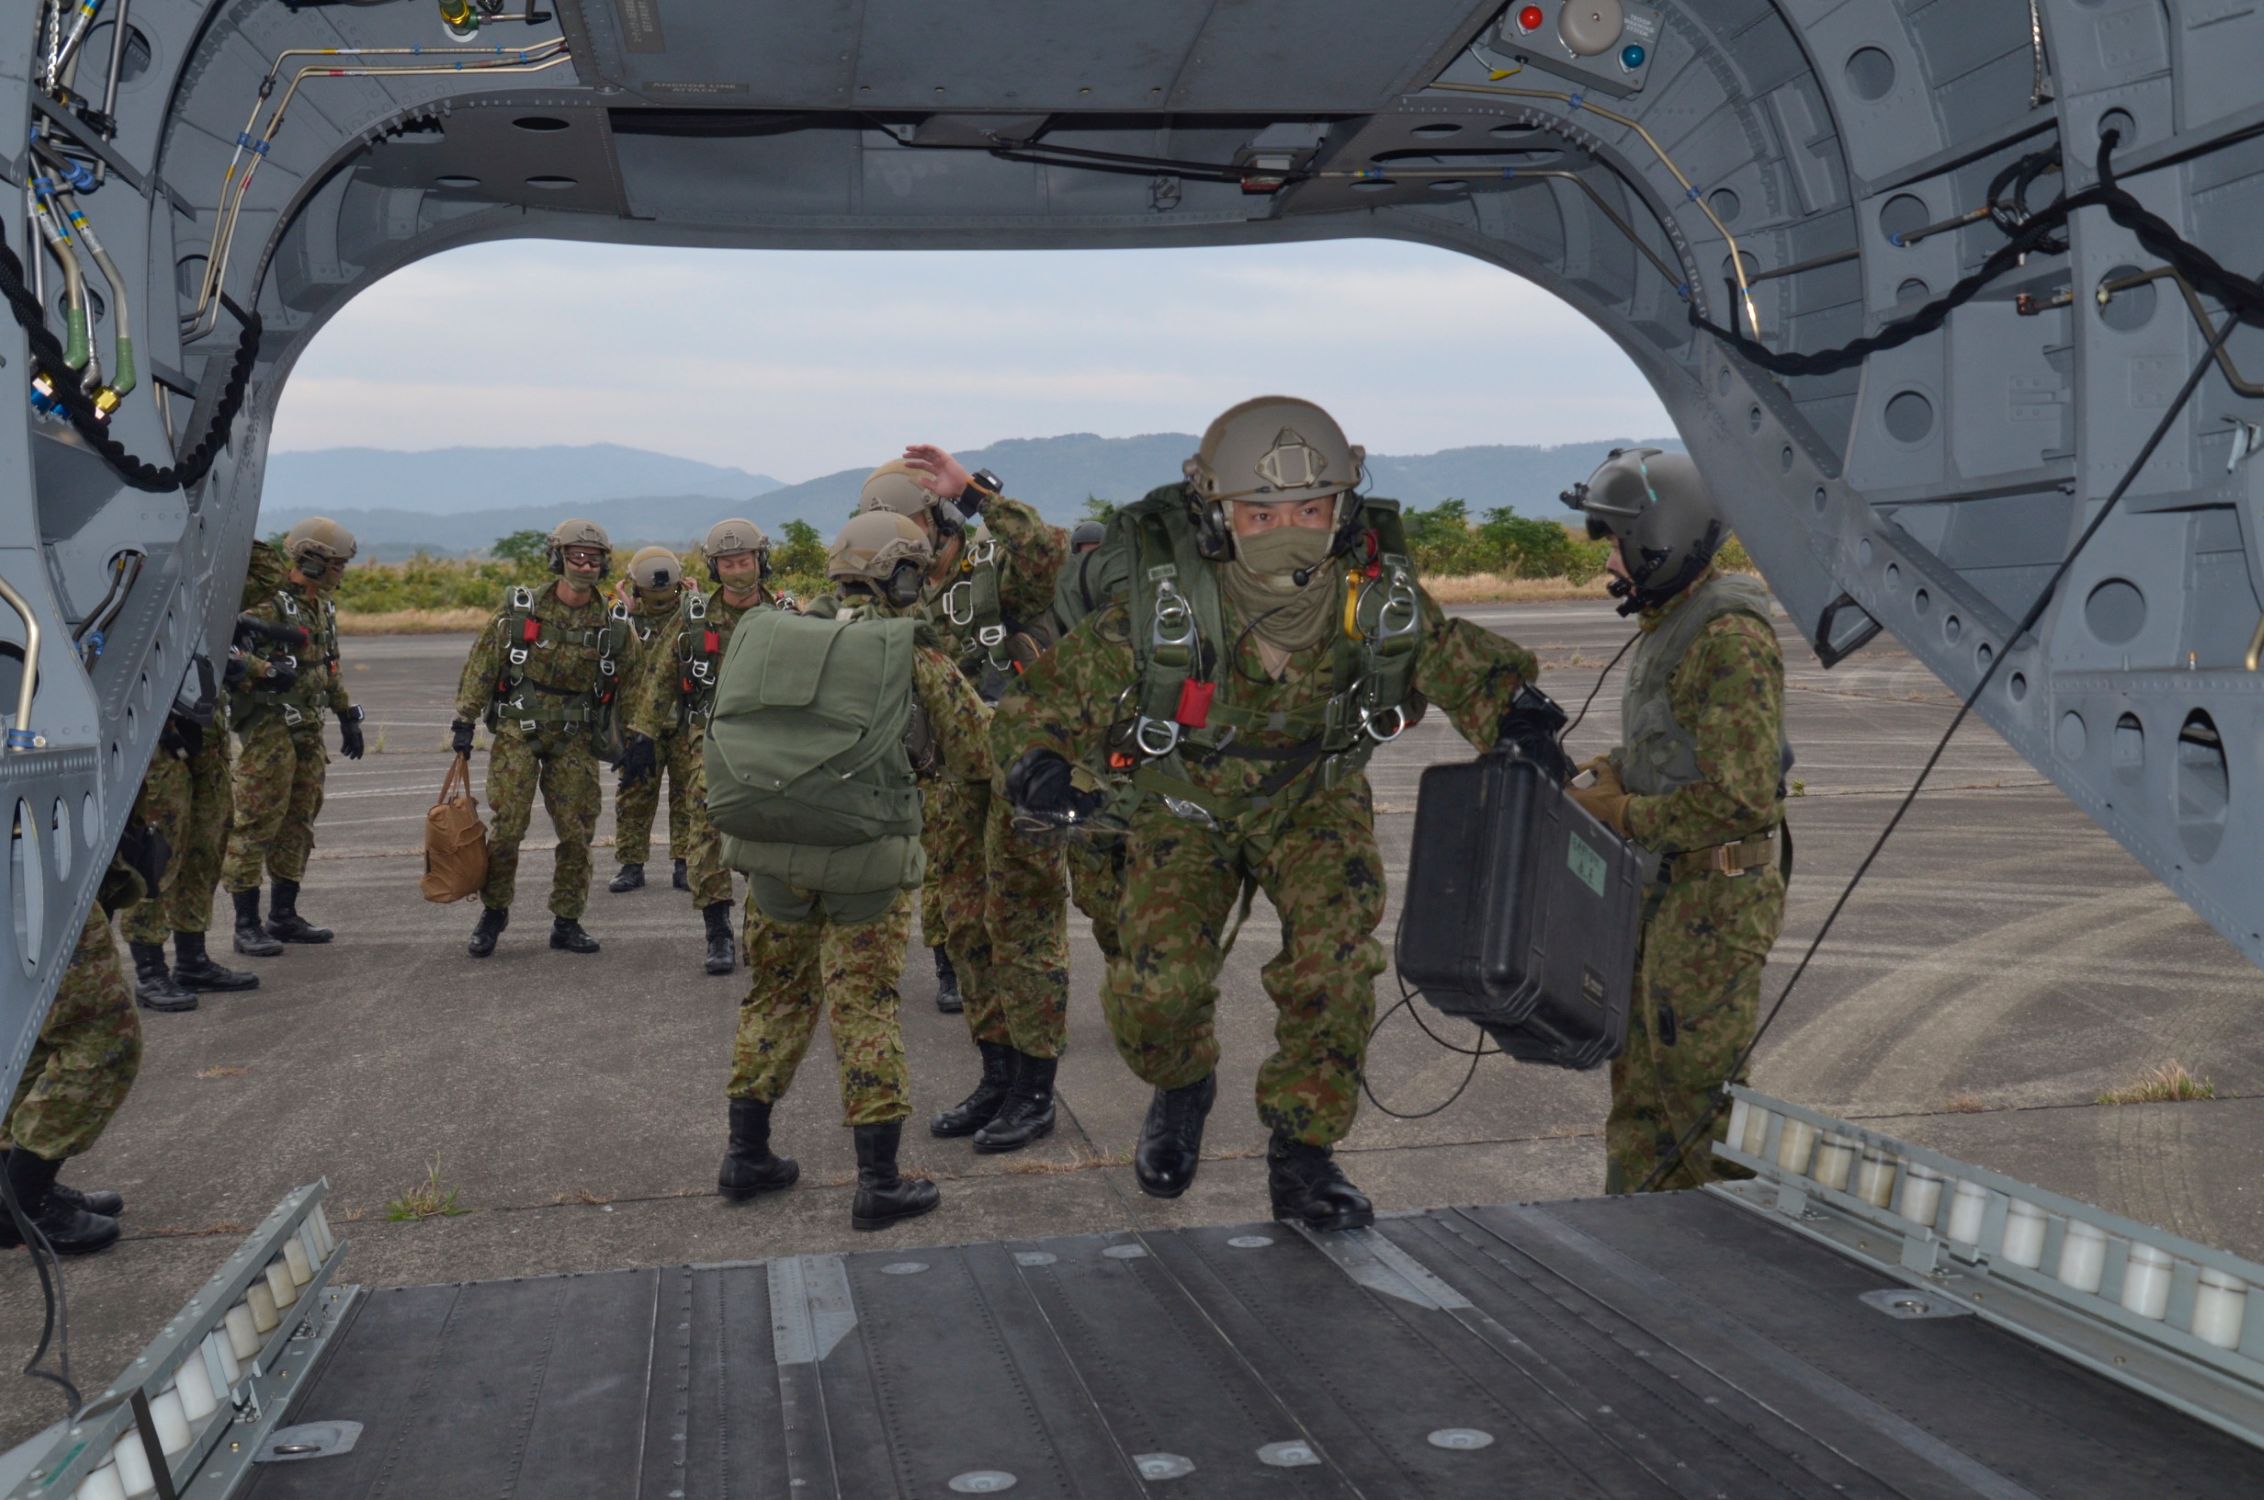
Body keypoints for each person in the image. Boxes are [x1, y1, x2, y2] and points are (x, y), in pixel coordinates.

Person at [995, 396, 1541, 1231]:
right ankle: (1183, 1085)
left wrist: (1522, 720)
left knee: (1333, 970)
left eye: (1310, 509)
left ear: (1341, 509)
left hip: (1313, 798)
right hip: (1186, 801)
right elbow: (1036, 707)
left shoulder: (1373, 594)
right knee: (1153, 994)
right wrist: (1035, 765)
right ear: (1217, 517)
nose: (1288, 529)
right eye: (1260, 513)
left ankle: (1303, 1154)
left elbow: (1462, 663)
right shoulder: (1165, 605)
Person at [716, 511, 993, 1230]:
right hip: (866, 866)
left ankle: (745, 1155)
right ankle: (879, 1182)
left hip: (773, 859)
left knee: (775, 996)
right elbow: (979, 753)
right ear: (901, 575)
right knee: (864, 1005)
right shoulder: (908, 650)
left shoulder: (772, 632)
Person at [1559, 448, 1789, 1194]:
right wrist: (1615, 770)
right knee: (1640, 1096)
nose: (1610, 562)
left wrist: (1623, 813)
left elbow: (1739, 800)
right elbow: (1677, 746)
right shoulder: (1675, 624)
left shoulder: (1728, 639)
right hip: (1663, 891)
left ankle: (1738, 1245)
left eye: (1618, 545)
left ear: (1662, 540)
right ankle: (1640, 1238)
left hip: (1713, 905)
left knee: (1701, 1104)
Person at [859, 448, 1071, 1153]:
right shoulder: (895, 588)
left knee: (1025, 928)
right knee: (966, 929)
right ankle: (996, 1078)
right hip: (947, 782)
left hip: (1019, 779)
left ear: (940, 518)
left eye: (913, 524)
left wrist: (978, 495)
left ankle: (1036, 1092)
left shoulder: (992, 567)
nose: (903, 540)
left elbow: (1047, 554)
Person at [451, 519, 625, 957]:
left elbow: (637, 677)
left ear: (604, 564)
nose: (584, 565)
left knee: (577, 833)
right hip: (519, 729)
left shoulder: (611, 619)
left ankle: (567, 920)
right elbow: (483, 663)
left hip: (575, 735)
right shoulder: (522, 611)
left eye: (593, 558)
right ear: (557, 558)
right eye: (575, 556)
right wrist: (465, 720)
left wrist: (638, 736)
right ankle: (493, 912)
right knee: (507, 828)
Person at [620, 518, 786, 976]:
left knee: (773, 840)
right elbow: (659, 679)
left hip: (772, 745)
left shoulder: (787, 617)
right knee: (706, 838)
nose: (738, 571)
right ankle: (718, 933)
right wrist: (641, 735)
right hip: (709, 742)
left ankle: (763, 928)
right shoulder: (693, 620)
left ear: (760, 561)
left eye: (745, 561)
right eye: (727, 564)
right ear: (714, 568)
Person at [1, 833, 160, 1256]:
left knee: (30, 1032)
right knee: (103, 1034)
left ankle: (14, 1187)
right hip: (26, 855)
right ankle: (24, 1200)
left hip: (31, 847)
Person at [221, 517, 364, 955]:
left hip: (307, 727)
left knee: (300, 819)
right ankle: (246, 925)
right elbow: (227, 649)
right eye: (337, 564)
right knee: (257, 820)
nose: (341, 572)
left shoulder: (320, 606)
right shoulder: (269, 605)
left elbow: (327, 664)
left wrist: (346, 713)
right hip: (269, 726)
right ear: (313, 562)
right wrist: (266, 671)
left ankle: (283, 915)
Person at [122, 676, 259, 1009]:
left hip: (206, 737)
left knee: (204, 852)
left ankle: (192, 961)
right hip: (157, 742)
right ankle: (150, 972)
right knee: (155, 858)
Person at [608, 545, 692, 896]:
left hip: (684, 723)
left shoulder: (692, 616)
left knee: (688, 796)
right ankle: (631, 864)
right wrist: (622, 617)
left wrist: (694, 605)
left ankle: (685, 862)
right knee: (634, 794)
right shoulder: (622, 620)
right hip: (639, 725)